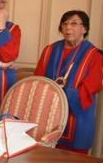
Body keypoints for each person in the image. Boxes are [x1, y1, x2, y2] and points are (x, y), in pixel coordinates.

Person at [34, 10, 103, 153]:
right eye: (64, 24)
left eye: (74, 23)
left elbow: (91, 87)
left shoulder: (94, 55)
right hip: (48, 115)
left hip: (77, 117)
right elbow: (38, 81)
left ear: (84, 29)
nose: (68, 28)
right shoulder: (49, 50)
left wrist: (62, 98)